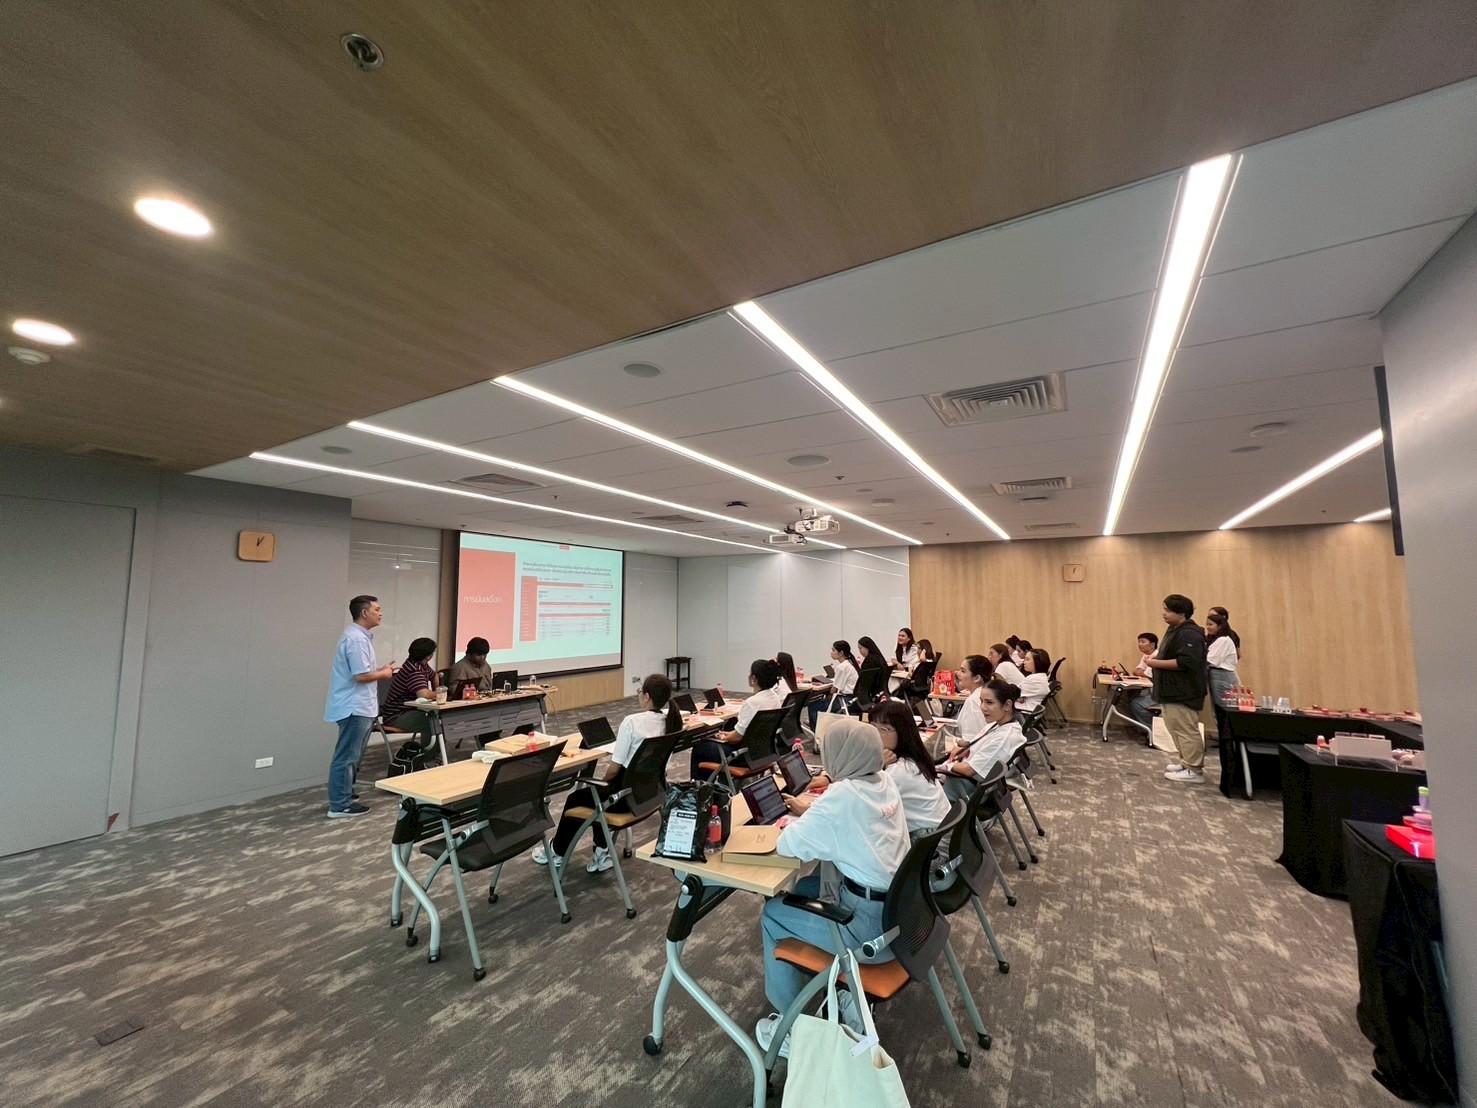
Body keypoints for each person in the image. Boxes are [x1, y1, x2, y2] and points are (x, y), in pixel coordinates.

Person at [755, 719, 910, 1056]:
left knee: (772, 913)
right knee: (807, 885)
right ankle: (843, 993)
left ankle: (792, 1027)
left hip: (867, 931)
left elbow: (788, 845)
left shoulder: (843, 795)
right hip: (900, 916)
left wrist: (805, 817)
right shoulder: (883, 779)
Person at [534, 673, 683, 872]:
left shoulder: (632, 722)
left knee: (577, 799)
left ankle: (556, 852)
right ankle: (601, 853)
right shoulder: (671, 722)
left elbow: (613, 771)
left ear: (647, 696)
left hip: (623, 799)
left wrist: (604, 784)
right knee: (596, 797)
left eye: (640, 692)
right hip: (650, 794)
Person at [323, 595, 396, 818]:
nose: (381, 613)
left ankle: (346, 795)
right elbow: (361, 676)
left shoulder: (360, 637)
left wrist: (380, 670)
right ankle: (340, 805)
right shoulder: (356, 639)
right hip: (354, 707)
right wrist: (384, 674)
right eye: (377, 609)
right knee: (346, 757)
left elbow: (362, 672)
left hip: (360, 706)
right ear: (364, 613)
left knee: (352, 756)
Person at [1144, 594, 1208, 783]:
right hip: (1171, 691)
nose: (1164, 614)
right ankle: (1186, 763)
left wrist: (1155, 663)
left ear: (1181, 613)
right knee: (1176, 728)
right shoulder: (1175, 630)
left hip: (1183, 691)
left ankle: (1194, 770)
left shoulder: (1190, 633)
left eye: (1168, 610)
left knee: (1186, 730)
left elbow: (1186, 662)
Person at [690, 658, 787, 779]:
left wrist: (725, 737)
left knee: (700, 747)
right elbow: (749, 731)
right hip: (764, 753)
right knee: (730, 725)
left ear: (753, 679)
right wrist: (729, 734)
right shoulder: (774, 697)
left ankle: (699, 787)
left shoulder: (752, 703)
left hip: (744, 757)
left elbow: (736, 738)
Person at [870, 700, 951, 834]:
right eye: (872, 727)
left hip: (929, 838)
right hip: (940, 830)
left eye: (884, 729)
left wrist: (878, 765)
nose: (876, 735)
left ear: (902, 731)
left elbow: (867, 798)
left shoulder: (900, 770)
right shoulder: (915, 758)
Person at [941, 677, 1026, 802]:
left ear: (1007, 705)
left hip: (965, 788)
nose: (982, 707)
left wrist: (946, 766)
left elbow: (968, 770)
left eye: (989, 703)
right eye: (981, 701)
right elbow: (977, 747)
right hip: (968, 781)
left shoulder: (1003, 738)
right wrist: (965, 750)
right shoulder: (1000, 725)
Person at [1206, 612, 1241, 796]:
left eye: (1211, 624)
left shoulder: (1224, 640)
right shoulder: (1217, 640)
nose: (1208, 627)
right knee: (1217, 711)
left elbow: (1210, 660)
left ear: (1220, 626)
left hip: (1222, 677)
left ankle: (1228, 744)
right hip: (1216, 676)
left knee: (1224, 711)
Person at [382, 637, 437, 726]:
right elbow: (424, 695)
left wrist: (437, 689)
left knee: (436, 718)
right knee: (432, 721)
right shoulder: (413, 670)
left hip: (409, 712)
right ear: (428, 656)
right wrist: (440, 694)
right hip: (396, 716)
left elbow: (434, 676)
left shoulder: (421, 665)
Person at [809, 640, 859, 728]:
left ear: (841, 653)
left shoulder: (842, 667)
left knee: (813, 706)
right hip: (852, 699)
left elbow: (834, 690)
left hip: (843, 700)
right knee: (823, 701)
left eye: (833, 650)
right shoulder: (851, 664)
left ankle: (817, 730)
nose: (831, 652)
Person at [951, 654, 993, 741]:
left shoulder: (974, 701)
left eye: (963, 671)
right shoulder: (988, 693)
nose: (958, 673)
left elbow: (970, 740)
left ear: (976, 678)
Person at [1123, 631, 1159, 730]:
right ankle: (1144, 727)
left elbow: (1146, 675)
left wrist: (1141, 673)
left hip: (1158, 694)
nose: (1139, 644)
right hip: (1149, 690)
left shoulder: (1157, 656)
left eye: (1143, 642)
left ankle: (1152, 728)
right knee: (1125, 696)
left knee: (1135, 703)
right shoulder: (1146, 656)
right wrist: (1141, 672)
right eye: (1139, 642)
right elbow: (1136, 671)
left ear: (1152, 644)